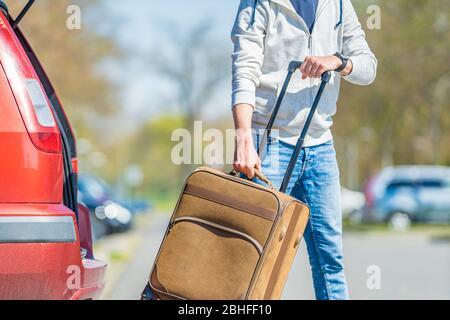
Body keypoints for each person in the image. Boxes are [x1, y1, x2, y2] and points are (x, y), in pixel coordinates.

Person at [231, 0, 377, 300]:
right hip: (268, 145)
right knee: (253, 257)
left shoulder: (337, 4)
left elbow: (368, 66)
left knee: (330, 260)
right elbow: (244, 69)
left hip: (320, 146)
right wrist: (244, 138)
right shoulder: (260, 3)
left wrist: (338, 60)